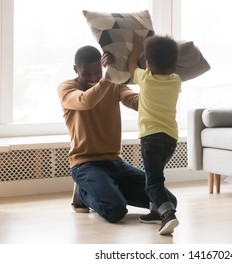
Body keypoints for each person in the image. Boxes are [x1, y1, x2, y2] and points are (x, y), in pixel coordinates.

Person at [57, 45, 177, 224]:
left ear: (102, 67)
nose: (93, 77)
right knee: (115, 210)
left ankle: (107, 188)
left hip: (116, 163)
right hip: (85, 164)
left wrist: (156, 85)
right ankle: (83, 193)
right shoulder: (67, 88)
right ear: (76, 69)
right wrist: (108, 77)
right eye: (87, 73)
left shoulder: (114, 85)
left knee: (167, 202)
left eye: (97, 72)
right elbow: (86, 101)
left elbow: (139, 103)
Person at [128, 34, 181, 235]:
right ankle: (155, 211)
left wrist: (136, 47)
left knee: (152, 182)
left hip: (151, 139)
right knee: (157, 176)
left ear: (148, 64)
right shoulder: (176, 81)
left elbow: (131, 64)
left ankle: (168, 215)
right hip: (171, 140)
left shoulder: (145, 79)